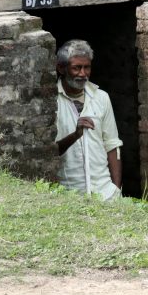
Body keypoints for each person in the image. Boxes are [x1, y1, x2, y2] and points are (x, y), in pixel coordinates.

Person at [54, 39, 123, 200]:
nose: (83, 74)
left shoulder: (101, 97)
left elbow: (112, 145)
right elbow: (50, 152)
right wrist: (75, 135)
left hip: (106, 193)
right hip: (69, 195)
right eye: (76, 68)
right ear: (61, 68)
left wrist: (116, 189)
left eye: (87, 67)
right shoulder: (51, 101)